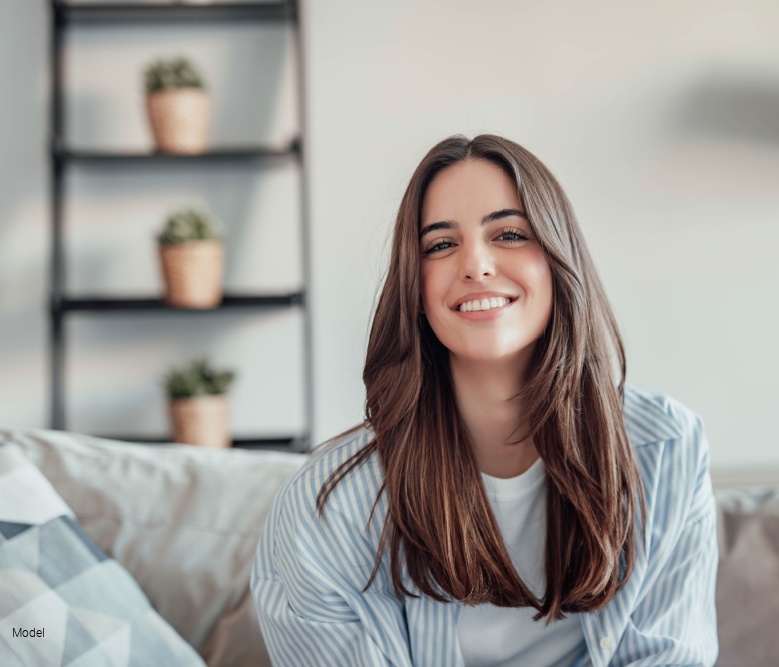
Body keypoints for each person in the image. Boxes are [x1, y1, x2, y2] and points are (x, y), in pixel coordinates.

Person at [250, 134, 719, 667]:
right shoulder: (326, 511)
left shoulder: (663, 451)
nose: (475, 264)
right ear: (416, 290)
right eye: (441, 245)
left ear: (559, 261)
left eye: (510, 233)